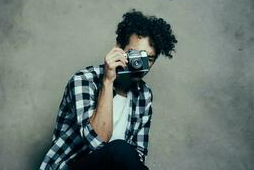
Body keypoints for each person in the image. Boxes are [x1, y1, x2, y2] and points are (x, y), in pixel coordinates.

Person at [39, 9, 178, 170]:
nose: (140, 65)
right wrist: (107, 81)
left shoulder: (144, 94)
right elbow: (97, 142)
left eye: (148, 59)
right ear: (118, 48)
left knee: (125, 152)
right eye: (135, 55)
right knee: (120, 148)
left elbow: (138, 155)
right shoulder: (83, 81)